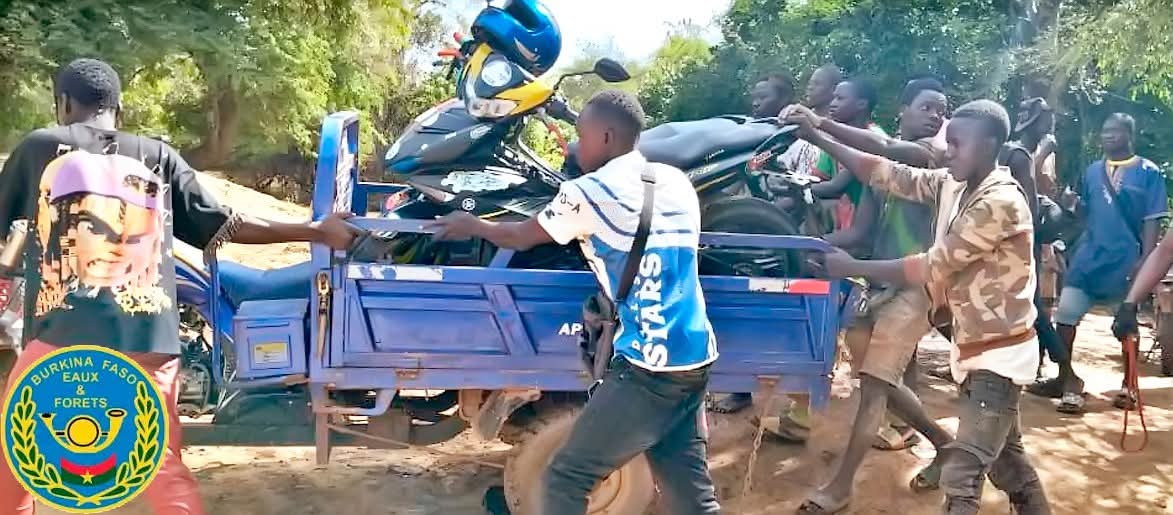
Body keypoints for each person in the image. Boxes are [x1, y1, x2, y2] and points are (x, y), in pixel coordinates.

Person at [0, 58, 359, 515]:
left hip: (61, 338)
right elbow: (227, 227)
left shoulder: (39, 148)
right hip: (147, 342)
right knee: (159, 460)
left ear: (63, 104)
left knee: (17, 449)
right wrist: (315, 230)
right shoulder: (158, 156)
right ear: (119, 109)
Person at [428, 90, 720, 515]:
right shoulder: (675, 181)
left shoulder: (591, 191)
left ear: (605, 136)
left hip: (648, 369)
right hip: (694, 356)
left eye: (580, 137)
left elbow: (520, 235)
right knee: (693, 496)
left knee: (564, 479)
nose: (574, 147)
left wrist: (470, 224)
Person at [797, 99, 1051, 515]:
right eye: (948, 142)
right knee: (1010, 468)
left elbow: (932, 265)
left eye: (957, 143)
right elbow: (885, 173)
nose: (947, 150)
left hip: (1000, 356)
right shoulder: (955, 184)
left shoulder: (998, 202)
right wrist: (818, 130)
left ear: (989, 146)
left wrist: (851, 266)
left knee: (961, 477)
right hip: (975, 350)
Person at [708, 77, 884, 416]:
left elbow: (832, 190)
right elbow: (816, 187)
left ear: (861, 105)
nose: (832, 102)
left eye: (840, 96)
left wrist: (797, 226)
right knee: (809, 323)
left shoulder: (870, 142)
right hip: (831, 240)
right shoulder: (831, 141)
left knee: (831, 329)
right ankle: (795, 412)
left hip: (856, 249)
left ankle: (886, 413)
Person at [1031, 113, 1167, 414]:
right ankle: (1066, 379)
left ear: (1130, 135)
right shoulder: (1092, 171)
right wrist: (1071, 206)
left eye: (1115, 131)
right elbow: (1085, 215)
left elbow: (1151, 220)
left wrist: (1145, 260)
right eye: (1105, 131)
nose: (1108, 136)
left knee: (1126, 324)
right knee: (1065, 317)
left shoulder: (1149, 172)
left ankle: (1129, 386)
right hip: (1089, 258)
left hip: (1125, 259)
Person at [779, 64, 843, 177]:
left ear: (834, 90)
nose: (810, 87)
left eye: (817, 84)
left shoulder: (841, 126)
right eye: (810, 83)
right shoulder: (796, 118)